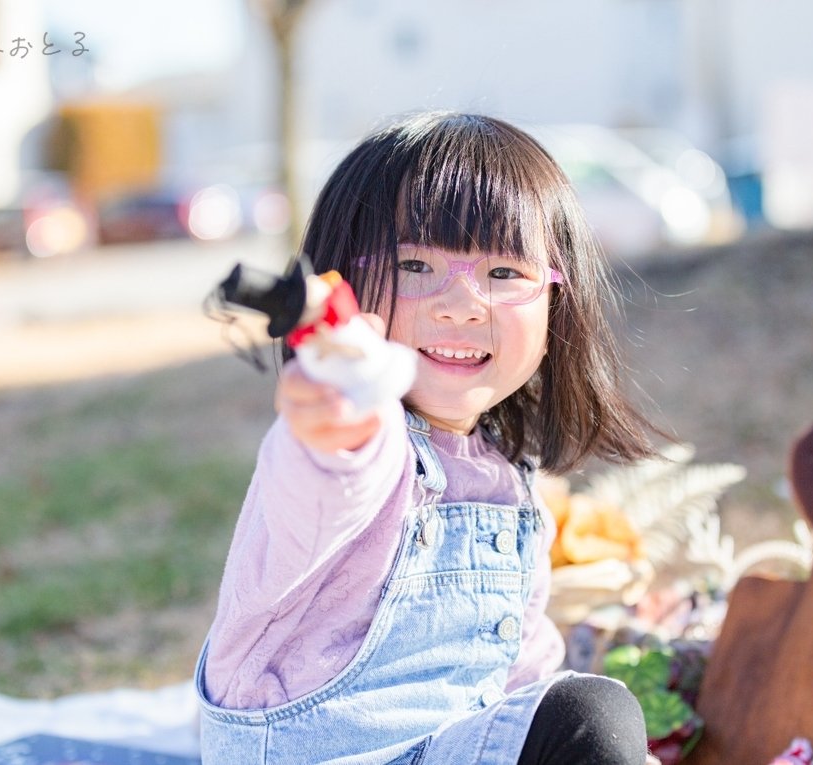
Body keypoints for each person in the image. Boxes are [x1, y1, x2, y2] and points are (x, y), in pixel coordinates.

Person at [196, 112, 667, 765]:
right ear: (344, 287)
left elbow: (519, 671)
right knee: (589, 712)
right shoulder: (362, 441)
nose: (461, 303)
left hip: (454, 746)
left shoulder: (508, 473)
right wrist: (337, 417)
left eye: (504, 273)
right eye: (415, 264)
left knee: (579, 705)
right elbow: (330, 477)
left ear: (560, 297)